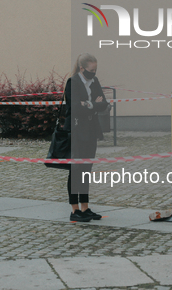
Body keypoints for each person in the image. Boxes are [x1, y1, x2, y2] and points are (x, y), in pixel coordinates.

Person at [64, 53, 108, 222]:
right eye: (91, 70)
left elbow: (103, 103)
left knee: (86, 171)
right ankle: (75, 210)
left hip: (90, 130)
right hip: (76, 130)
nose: (94, 73)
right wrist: (92, 104)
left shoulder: (94, 82)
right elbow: (75, 107)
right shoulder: (73, 82)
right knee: (76, 170)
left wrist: (88, 104)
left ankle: (85, 207)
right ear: (82, 68)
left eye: (95, 70)